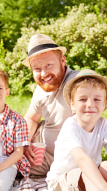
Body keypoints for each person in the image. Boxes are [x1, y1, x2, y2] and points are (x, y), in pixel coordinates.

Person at [22, 34, 79, 177]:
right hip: (41, 152)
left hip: (71, 158)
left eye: (49, 65)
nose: (44, 73)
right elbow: (32, 118)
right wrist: (25, 142)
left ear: (63, 61)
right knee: (4, 162)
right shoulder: (40, 90)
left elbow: (91, 79)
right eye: (37, 68)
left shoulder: (77, 82)